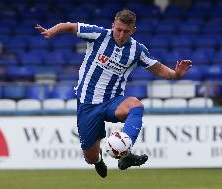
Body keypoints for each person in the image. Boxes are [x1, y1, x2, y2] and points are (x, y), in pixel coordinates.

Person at [36, 9, 192, 178]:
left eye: (126, 31)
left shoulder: (137, 50)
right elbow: (70, 26)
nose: (121, 34)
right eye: (118, 30)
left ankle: (126, 153)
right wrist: (52, 31)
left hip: (113, 101)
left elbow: (159, 69)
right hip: (88, 104)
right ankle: (98, 161)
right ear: (113, 26)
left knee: (136, 105)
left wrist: (176, 74)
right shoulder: (99, 35)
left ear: (133, 30)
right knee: (90, 157)